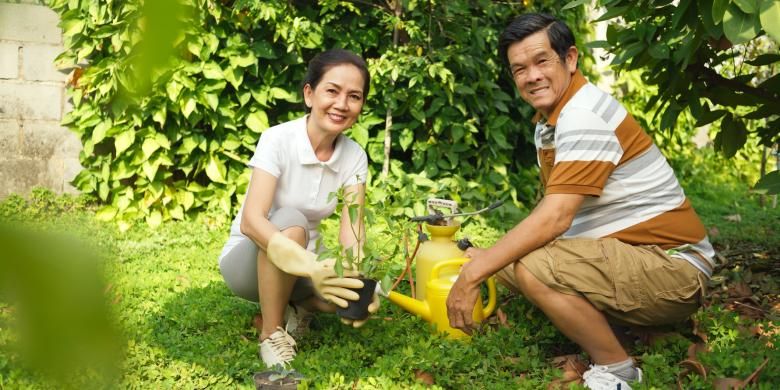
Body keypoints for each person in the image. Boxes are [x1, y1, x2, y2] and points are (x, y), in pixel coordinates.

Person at [446, 13, 715, 390]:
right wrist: (487, 261)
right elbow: (553, 214)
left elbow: (555, 219)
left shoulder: (582, 115)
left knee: (529, 267)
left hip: (673, 269)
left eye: (542, 61)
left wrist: (475, 274)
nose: (532, 76)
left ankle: (617, 368)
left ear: (570, 59)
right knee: (499, 260)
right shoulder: (551, 121)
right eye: (520, 68)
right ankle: (629, 326)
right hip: (631, 256)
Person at [218, 48, 379, 370]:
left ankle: (299, 308)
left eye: (354, 96)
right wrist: (310, 266)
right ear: (309, 94)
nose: (342, 104)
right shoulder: (278, 139)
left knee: (347, 289)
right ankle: (271, 334)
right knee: (291, 221)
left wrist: (356, 280)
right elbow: (252, 221)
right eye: (332, 91)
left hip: (303, 263)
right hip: (249, 262)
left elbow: (353, 231)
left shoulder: (354, 155)